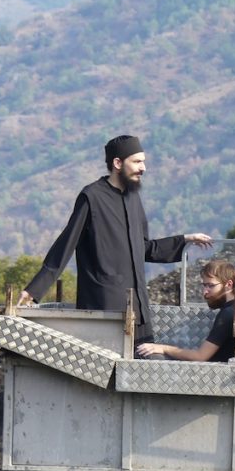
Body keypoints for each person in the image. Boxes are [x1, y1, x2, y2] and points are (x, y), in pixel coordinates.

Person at [17, 134, 212, 348]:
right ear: (117, 163)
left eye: (144, 161)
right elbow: (66, 244)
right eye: (137, 161)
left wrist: (185, 240)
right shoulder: (91, 197)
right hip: (104, 312)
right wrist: (33, 291)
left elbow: (145, 248)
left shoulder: (133, 197)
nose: (143, 168)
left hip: (139, 310)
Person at [135, 260, 235, 362]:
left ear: (229, 285)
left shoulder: (227, 314)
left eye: (211, 286)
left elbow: (200, 356)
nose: (205, 292)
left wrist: (163, 348)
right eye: (204, 285)